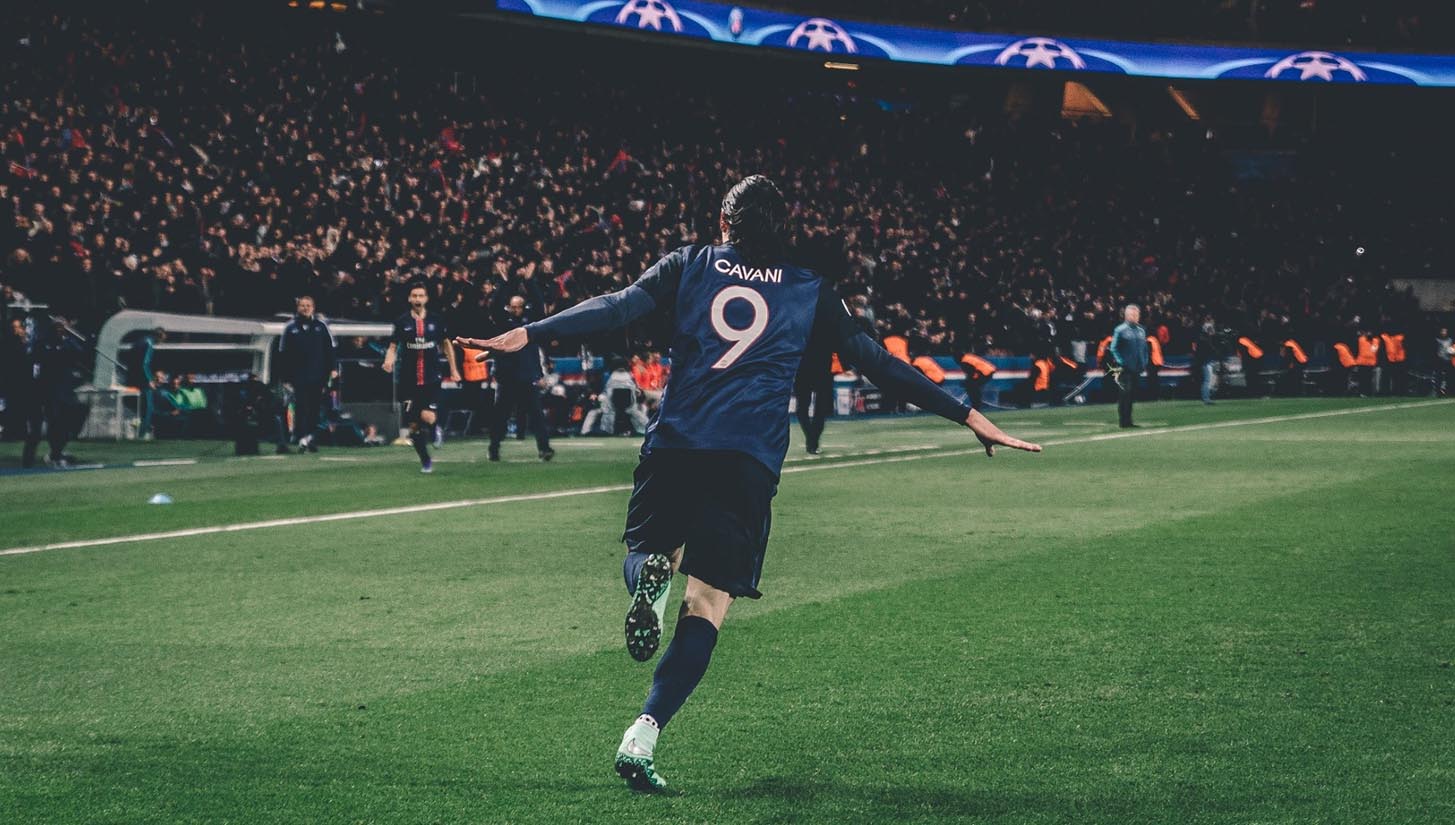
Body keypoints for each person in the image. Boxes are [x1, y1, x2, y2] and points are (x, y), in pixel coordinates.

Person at [455, 175, 1040, 793]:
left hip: (677, 444)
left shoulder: (689, 263)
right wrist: (967, 414)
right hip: (746, 461)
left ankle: (650, 577)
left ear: (724, 222)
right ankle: (643, 734)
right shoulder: (810, 288)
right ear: (782, 231)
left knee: (648, 553)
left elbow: (618, 305)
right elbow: (876, 361)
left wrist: (532, 332)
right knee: (708, 604)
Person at [382, 283, 460, 472]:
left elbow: (446, 344)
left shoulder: (436, 320)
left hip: (431, 378)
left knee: (427, 415)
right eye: (414, 296)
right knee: (413, 425)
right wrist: (389, 361)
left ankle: (435, 429)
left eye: (421, 296)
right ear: (410, 299)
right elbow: (393, 345)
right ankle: (426, 460)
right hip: (408, 380)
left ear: (426, 298)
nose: (417, 299)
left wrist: (453, 369)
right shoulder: (402, 322)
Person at [481, 294, 553, 462]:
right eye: (512, 307)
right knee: (501, 417)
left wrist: (539, 375)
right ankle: (494, 448)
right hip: (507, 379)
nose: (515, 310)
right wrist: (505, 284)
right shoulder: (503, 325)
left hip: (527, 378)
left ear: (523, 307)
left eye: (518, 306)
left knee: (537, 416)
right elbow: (495, 308)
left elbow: (533, 355)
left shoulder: (530, 327)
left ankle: (544, 448)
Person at [276, 296, 337, 453]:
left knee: (314, 408)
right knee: (301, 407)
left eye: (308, 305)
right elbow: (283, 354)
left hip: (318, 375)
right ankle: (301, 438)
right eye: (302, 305)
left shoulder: (321, 327)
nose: (305, 308)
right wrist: (284, 377)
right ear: (298, 308)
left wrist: (333, 368)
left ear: (313, 308)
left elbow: (329, 349)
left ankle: (310, 437)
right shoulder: (290, 328)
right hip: (298, 375)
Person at [582, 357, 649, 436]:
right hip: (613, 405)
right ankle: (587, 432)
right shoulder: (605, 376)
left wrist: (639, 393)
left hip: (623, 407)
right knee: (596, 411)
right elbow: (598, 390)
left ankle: (643, 430)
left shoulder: (630, 377)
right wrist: (595, 395)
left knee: (642, 408)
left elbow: (638, 392)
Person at [1108, 304, 1149, 428]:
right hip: (1124, 368)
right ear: (1126, 315)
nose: (1135, 317)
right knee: (1124, 393)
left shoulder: (1141, 330)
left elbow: (1145, 349)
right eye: (1132, 314)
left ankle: (1129, 420)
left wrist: (1144, 361)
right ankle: (1123, 421)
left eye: (1137, 315)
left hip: (1137, 367)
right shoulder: (1120, 330)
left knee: (1132, 394)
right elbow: (1113, 348)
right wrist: (1121, 361)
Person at [794, 337, 834, 454]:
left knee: (818, 408)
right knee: (806, 408)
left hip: (816, 368)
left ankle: (812, 439)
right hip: (809, 369)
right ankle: (812, 439)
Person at [1435, 328, 1453, 396]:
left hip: (1448, 360)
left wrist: (1451, 352)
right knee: (1439, 376)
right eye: (1442, 331)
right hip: (1440, 360)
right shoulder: (1437, 340)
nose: (1444, 333)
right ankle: (1438, 392)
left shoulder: (1450, 340)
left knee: (1449, 376)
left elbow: (1452, 348)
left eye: (1445, 331)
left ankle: (1449, 391)